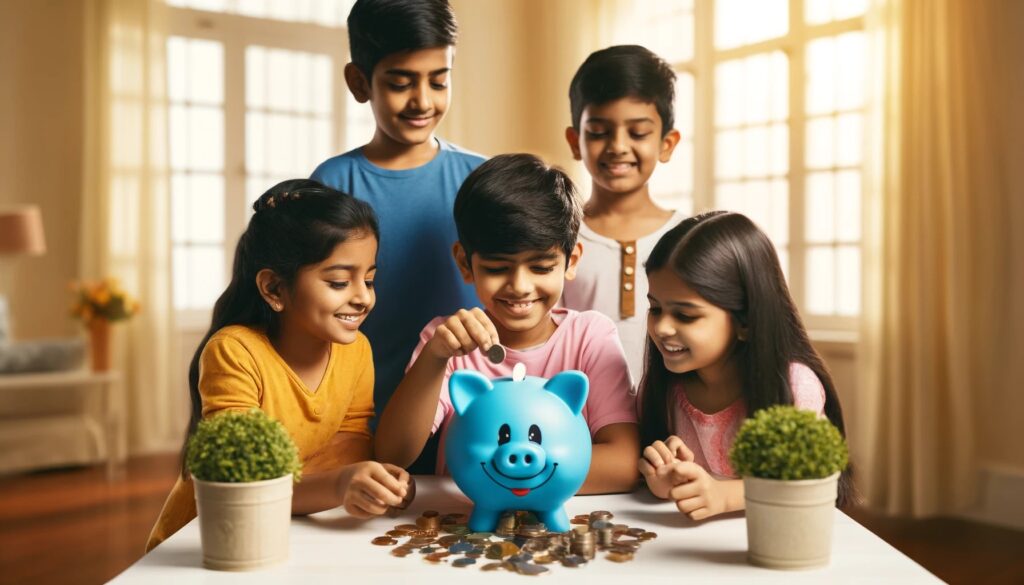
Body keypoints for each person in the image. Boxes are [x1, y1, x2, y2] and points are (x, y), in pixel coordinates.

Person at [146, 180, 408, 551]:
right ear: (273, 289)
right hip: (209, 542)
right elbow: (239, 483)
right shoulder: (234, 352)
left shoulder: (357, 350)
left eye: (369, 279)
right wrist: (336, 485)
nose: (363, 297)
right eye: (338, 282)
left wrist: (373, 482)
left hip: (287, 531)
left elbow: (350, 444)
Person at [375, 154, 639, 494]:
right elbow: (393, 455)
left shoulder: (590, 337)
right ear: (465, 263)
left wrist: (495, 475)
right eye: (498, 268)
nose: (520, 286)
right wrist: (434, 357)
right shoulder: (446, 342)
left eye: (541, 267)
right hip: (464, 529)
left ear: (570, 261)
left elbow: (625, 464)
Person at [310, 0, 485, 445]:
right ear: (359, 82)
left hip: (475, 420)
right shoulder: (331, 184)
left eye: (439, 81)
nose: (422, 101)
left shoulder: (479, 179)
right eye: (400, 83)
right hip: (359, 420)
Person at [638, 211, 853, 520]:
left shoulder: (794, 386)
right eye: (655, 308)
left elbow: (809, 482)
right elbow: (681, 488)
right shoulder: (667, 389)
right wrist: (666, 481)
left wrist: (724, 496)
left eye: (686, 315)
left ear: (745, 321)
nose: (662, 328)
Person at [561, 45, 685, 386]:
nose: (617, 146)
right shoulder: (557, 237)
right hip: (582, 424)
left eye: (638, 132)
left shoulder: (690, 238)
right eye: (599, 132)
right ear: (575, 141)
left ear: (666, 143)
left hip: (673, 427)